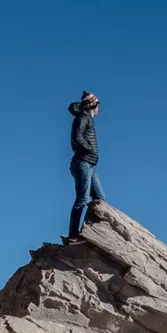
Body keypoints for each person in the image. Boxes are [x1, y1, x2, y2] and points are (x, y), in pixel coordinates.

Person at [65, 91, 104, 241]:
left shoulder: (87, 118)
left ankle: (88, 229)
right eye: (98, 103)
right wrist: (88, 148)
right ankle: (74, 235)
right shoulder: (83, 118)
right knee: (82, 199)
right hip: (83, 163)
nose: (99, 107)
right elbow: (77, 137)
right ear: (93, 105)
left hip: (89, 165)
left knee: (99, 198)